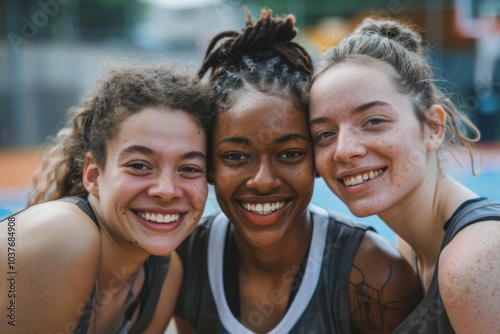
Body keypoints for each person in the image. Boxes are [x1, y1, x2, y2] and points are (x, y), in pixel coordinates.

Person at [174, 10, 422, 334]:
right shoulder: (184, 259)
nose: (263, 181)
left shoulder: (375, 275)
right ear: (208, 166)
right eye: (236, 156)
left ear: (317, 159)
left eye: (290, 153)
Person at [309, 17, 500, 333]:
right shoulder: (411, 246)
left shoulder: (473, 260)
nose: (344, 150)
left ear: (434, 128)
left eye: (373, 121)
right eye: (325, 134)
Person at [0, 62, 213, 333]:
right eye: (139, 165)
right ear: (93, 175)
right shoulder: (63, 237)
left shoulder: (166, 276)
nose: (167, 190)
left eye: (189, 169)